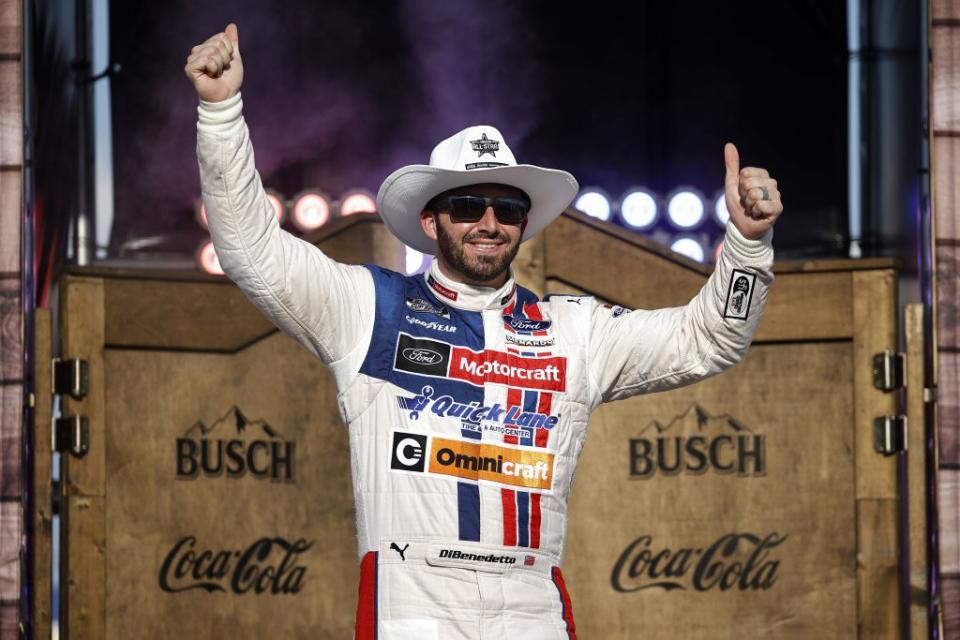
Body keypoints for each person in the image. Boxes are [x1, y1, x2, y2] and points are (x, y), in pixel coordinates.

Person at [185, 23, 783, 640]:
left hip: (531, 607)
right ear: (431, 220)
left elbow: (709, 338)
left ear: (524, 224)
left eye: (509, 209)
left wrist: (747, 244)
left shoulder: (572, 330)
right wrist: (221, 112)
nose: (489, 223)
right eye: (468, 207)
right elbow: (250, 249)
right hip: (413, 603)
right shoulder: (368, 308)